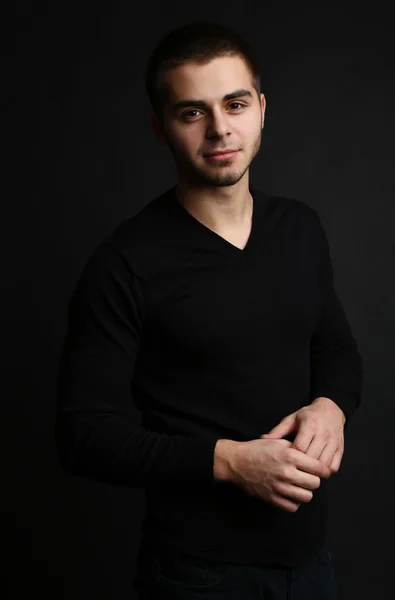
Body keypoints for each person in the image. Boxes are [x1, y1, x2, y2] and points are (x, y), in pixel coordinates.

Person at [55, 21, 363, 600]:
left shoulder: (298, 227)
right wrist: (225, 462)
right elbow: (81, 435)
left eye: (235, 103)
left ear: (262, 109)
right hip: (198, 574)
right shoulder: (126, 262)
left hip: (312, 562)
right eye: (192, 112)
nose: (221, 129)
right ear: (161, 128)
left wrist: (331, 406)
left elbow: (335, 347)